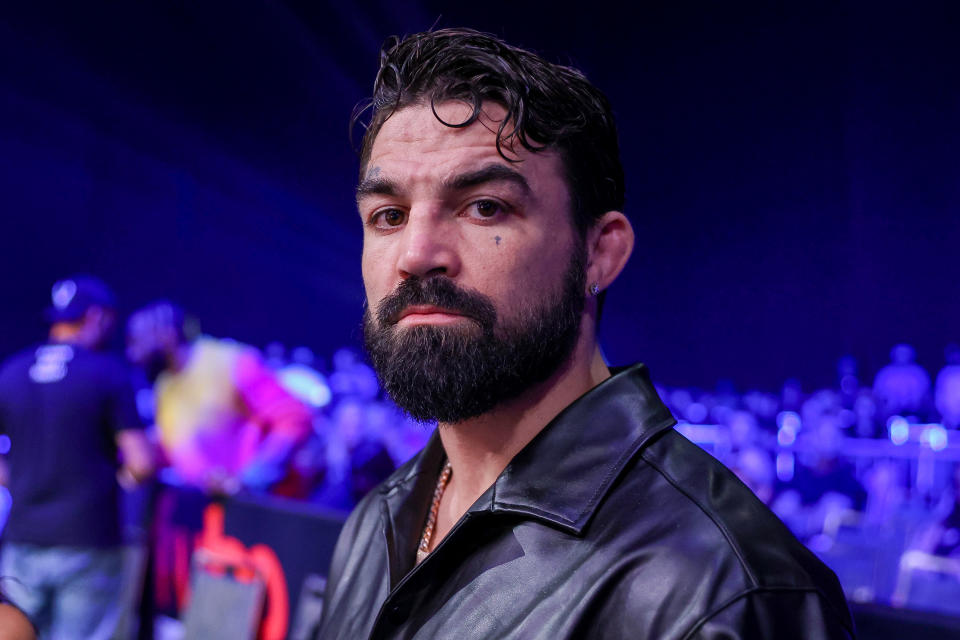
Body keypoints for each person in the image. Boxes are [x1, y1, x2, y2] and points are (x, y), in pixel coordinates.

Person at [317, 29, 854, 639]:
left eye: (485, 207)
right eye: (389, 216)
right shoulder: (377, 522)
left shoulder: (725, 591)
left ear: (599, 252)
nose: (416, 254)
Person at [0, 276, 154, 639]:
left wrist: (22, 480)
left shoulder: (12, 372)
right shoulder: (108, 373)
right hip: (87, 540)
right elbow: (141, 462)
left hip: (22, 537)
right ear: (98, 317)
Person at [126, 301, 312, 493]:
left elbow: (294, 417)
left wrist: (252, 477)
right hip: (205, 511)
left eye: (137, 340)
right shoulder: (165, 383)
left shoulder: (228, 361)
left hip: (252, 509)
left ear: (166, 335)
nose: (132, 353)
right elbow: (179, 450)